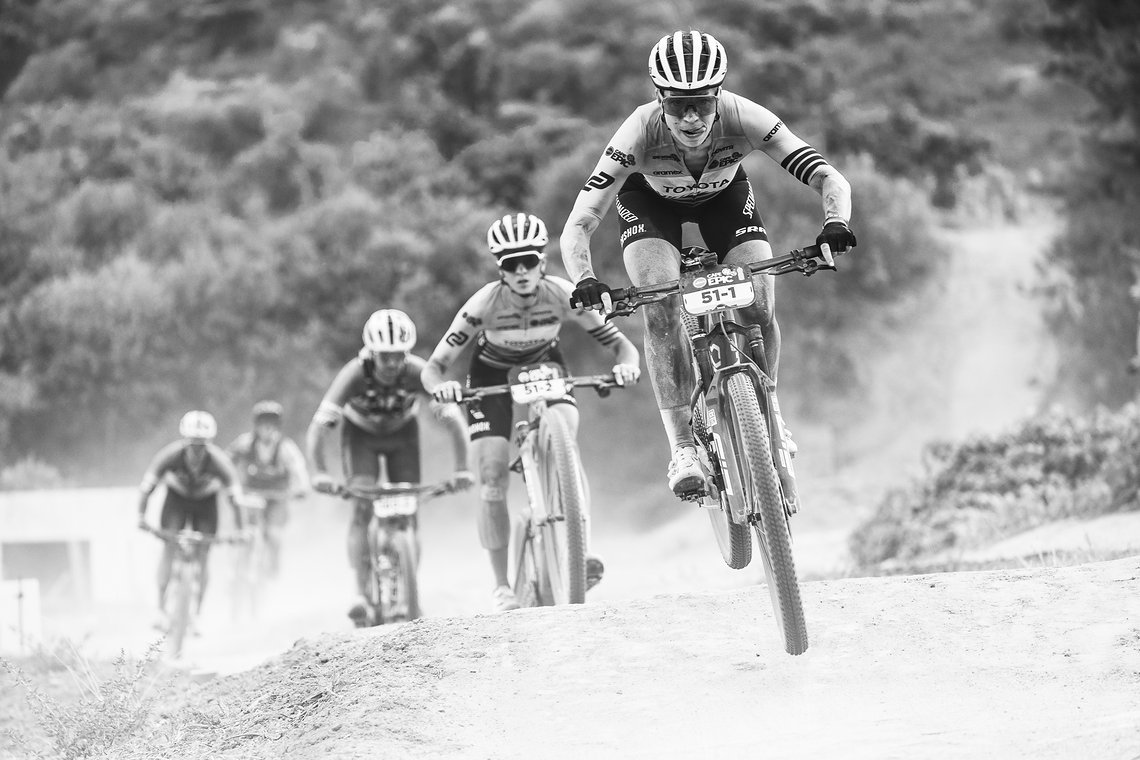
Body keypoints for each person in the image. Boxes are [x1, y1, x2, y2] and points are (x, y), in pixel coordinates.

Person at [560, 29, 857, 496]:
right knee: (660, 311)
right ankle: (682, 446)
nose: (692, 116)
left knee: (759, 306)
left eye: (702, 101)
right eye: (678, 104)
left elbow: (826, 175)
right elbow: (580, 222)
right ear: (660, 99)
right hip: (651, 205)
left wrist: (835, 222)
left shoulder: (746, 116)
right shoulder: (637, 131)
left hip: (725, 198)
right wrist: (585, 278)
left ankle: (769, 410)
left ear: (719, 95)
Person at [422, 212, 642, 613]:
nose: (521, 271)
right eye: (510, 264)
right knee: (490, 478)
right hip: (492, 372)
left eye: (528, 261)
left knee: (568, 438)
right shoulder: (484, 303)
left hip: (544, 363)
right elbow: (433, 368)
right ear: (500, 270)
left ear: (542, 262)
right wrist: (444, 387)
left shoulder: (561, 292)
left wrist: (627, 365)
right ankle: (501, 586)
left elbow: (622, 346)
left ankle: (579, 548)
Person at [306, 308, 474, 626]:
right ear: (372, 354)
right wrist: (319, 472)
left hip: (403, 437)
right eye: (386, 358)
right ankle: (360, 592)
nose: (393, 364)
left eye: (399, 356)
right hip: (360, 438)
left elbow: (453, 420)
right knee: (362, 505)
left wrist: (463, 467)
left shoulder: (416, 371)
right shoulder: (354, 373)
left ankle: (411, 590)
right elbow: (319, 426)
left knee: (409, 511)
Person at [137, 410, 250, 631]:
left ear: (208, 443)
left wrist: (242, 529)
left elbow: (236, 498)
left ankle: (197, 612)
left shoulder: (220, 462)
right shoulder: (169, 456)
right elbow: (147, 487)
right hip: (176, 501)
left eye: (202, 445)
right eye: (192, 445)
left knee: (204, 553)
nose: (197, 450)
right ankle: (160, 609)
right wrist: (141, 516)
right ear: (185, 441)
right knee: (169, 545)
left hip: (206, 504)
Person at [225, 400, 311, 579]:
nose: (267, 429)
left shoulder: (286, 448)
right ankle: (234, 569)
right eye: (263, 424)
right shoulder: (244, 443)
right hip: (250, 496)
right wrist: (228, 484)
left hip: (277, 497)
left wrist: (302, 487)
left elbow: (298, 468)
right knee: (243, 532)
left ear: (277, 427)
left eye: (271, 425)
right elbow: (225, 463)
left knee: (273, 535)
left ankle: (273, 570)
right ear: (256, 426)